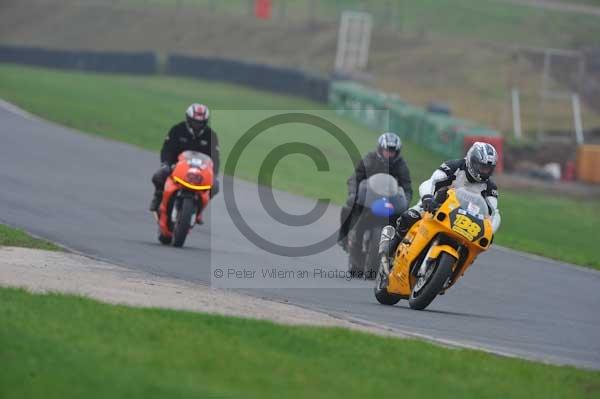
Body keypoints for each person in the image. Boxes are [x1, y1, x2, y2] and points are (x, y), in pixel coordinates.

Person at [382, 141, 501, 260]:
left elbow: (494, 213)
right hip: (436, 206)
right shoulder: (453, 166)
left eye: (488, 168)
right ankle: (392, 247)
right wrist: (428, 197)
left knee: (471, 251)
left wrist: (490, 230)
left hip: (466, 222)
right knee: (410, 216)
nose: (484, 171)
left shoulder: (490, 188)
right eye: (482, 166)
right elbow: (431, 182)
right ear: (472, 161)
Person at [338, 132, 413, 251]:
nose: (389, 153)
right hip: (370, 196)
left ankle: (395, 249)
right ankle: (344, 236)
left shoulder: (401, 164)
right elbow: (355, 178)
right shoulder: (370, 158)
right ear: (380, 148)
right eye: (387, 150)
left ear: (397, 152)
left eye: (392, 151)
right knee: (350, 204)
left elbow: (407, 187)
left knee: (403, 218)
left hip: (389, 199)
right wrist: (354, 192)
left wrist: (406, 202)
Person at [149, 103, 220, 212]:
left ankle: (198, 209)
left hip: (200, 170)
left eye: (200, 123)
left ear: (205, 122)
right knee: (159, 175)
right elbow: (167, 149)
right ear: (188, 119)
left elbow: (215, 157)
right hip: (176, 165)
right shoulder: (177, 130)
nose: (197, 125)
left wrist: (213, 173)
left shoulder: (211, 135)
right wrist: (166, 164)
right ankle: (158, 196)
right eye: (195, 122)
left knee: (215, 186)